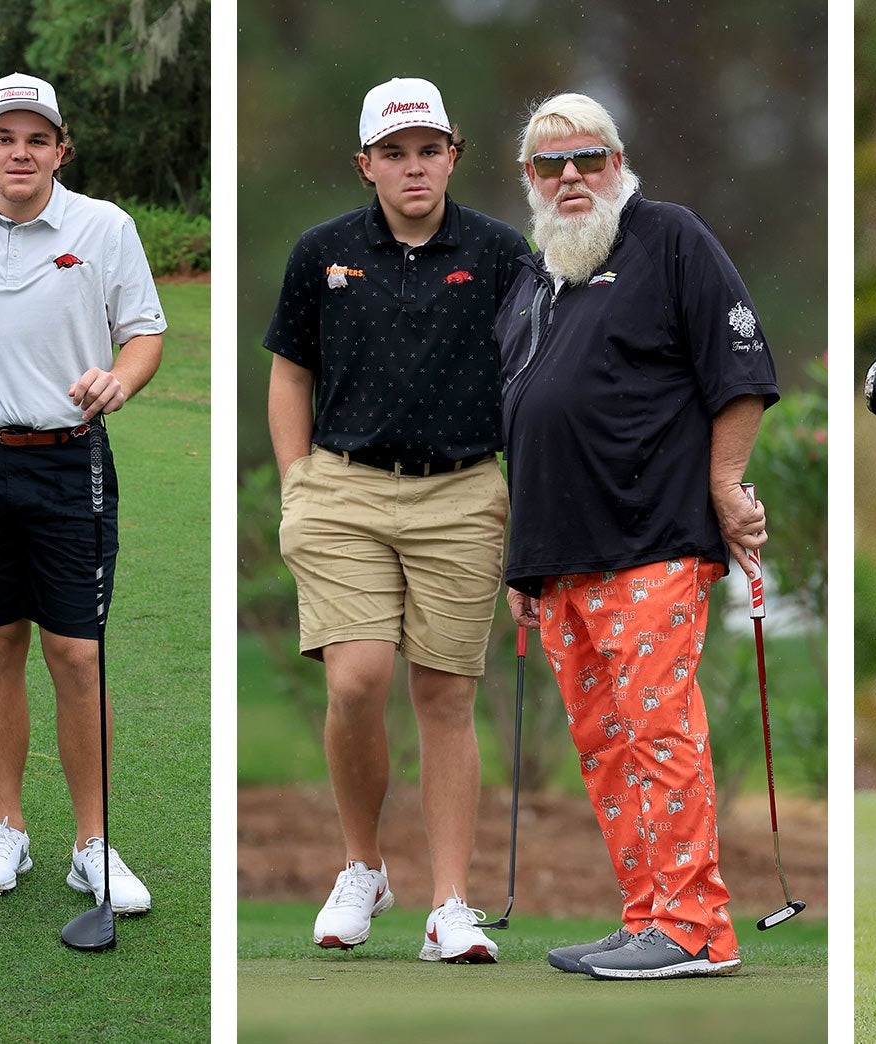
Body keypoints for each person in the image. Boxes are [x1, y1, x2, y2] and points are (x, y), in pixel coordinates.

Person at [498, 93, 780, 980]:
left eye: (591, 159)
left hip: (650, 539)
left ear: (619, 164)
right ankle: (647, 916)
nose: (573, 177)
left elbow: (738, 371)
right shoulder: (537, 272)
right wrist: (523, 558)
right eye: (553, 166)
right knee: (606, 745)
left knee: (661, 734)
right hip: (560, 557)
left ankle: (696, 928)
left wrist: (726, 483)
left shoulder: (671, 238)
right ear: (530, 181)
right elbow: (526, 416)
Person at [264, 77, 529, 963]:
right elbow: (290, 375)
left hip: (461, 492)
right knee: (357, 681)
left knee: (447, 697)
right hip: (343, 489)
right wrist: (298, 482)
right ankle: (363, 866)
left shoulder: (500, 252)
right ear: (366, 164)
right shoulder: (323, 251)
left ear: (453, 155)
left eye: (429, 150)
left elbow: (532, 383)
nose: (413, 168)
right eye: (395, 153)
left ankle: (451, 904)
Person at [0, 73, 166, 915]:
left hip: (72, 461)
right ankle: (7, 827)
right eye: (5, 137)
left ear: (61, 149)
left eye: (37, 138)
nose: (20, 151)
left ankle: (91, 844)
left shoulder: (105, 226)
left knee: (76, 652)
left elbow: (142, 331)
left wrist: (122, 380)